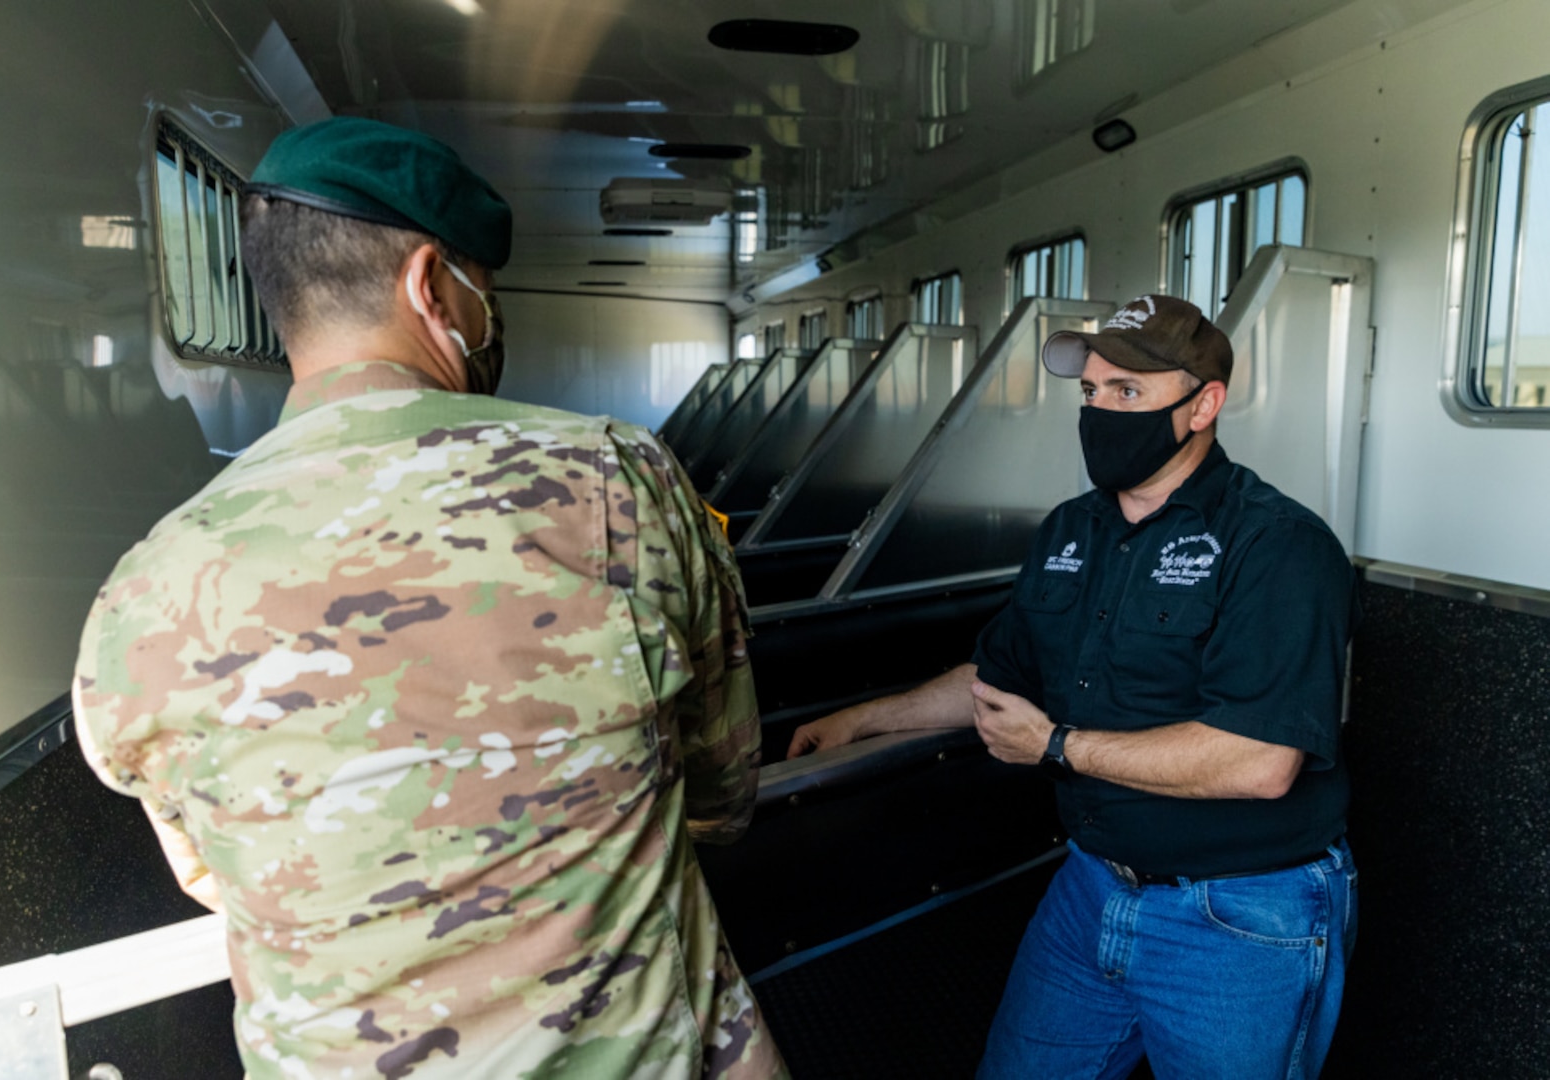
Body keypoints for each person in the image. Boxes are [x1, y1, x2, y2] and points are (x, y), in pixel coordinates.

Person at [73, 117, 785, 1080]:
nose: (487, 318)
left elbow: (215, 874)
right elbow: (724, 788)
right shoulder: (619, 481)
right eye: (480, 291)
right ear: (427, 285)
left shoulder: (143, 593)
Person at [789, 295, 1358, 1079]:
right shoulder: (1069, 530)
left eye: (1128, 392)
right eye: (1090, 392)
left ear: (1204, 405)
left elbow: (1257, 762)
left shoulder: (1276, 545)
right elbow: (997, 679)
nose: (1098, 412)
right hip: (1091, 886)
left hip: (1235, 916)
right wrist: (862, 719)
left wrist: (1055, 746)